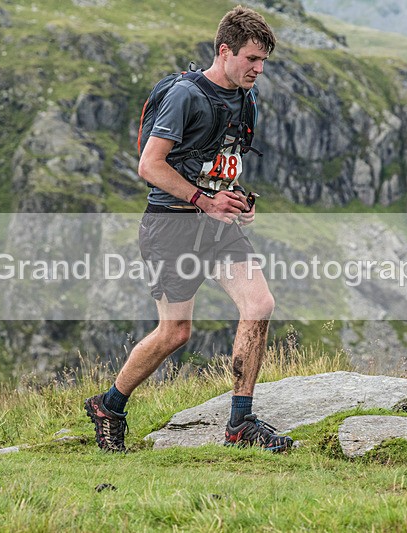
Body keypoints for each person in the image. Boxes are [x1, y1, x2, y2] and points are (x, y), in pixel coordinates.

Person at [85, 5, 292, 453]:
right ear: (225, 50)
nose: (259, 69)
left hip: (217, 227)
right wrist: (203, 199)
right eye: (252, 59)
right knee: (175, 333)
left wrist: (237, 201)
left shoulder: (246, 97)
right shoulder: (186, 96)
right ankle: (109, 405)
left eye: (263, 62)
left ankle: (240, 424)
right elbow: (150, 165)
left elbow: (221, 162)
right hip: (171, 227)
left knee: (259, 305)